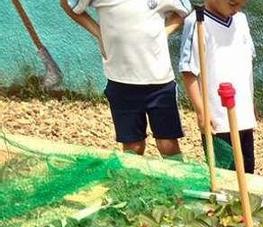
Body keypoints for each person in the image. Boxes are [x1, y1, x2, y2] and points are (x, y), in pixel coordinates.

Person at [61, 0, 189, 159]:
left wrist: (164, 34)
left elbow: (185, 10)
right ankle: (133, 181)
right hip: (121, 80)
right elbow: (68, 4)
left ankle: (178, 182)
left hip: (159, 82)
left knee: (167, 144)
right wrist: (99, 33)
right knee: (133, 147)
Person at [180, 0, 256, 173]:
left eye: (241, 5)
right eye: (232, 4)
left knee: (247, 169)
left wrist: (251, 105)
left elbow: (246, 65)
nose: (237, 8)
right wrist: (201, 111)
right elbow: (188, 71)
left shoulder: (241, 20)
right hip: (218, 120)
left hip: (243, 116)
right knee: (224, 173)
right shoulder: (198, 23)